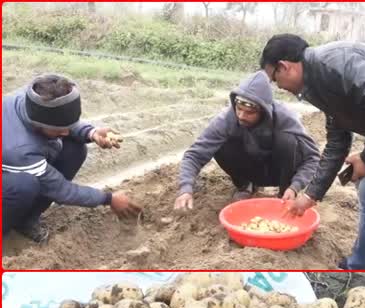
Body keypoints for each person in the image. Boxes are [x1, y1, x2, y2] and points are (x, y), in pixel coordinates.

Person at [260, 34, 365, 270]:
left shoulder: (334, 64)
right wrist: (309, 196)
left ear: (284, 67)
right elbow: (336, 142)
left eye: (274, 79)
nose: (278, 86)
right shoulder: (318, 84)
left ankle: (364, 263)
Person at [2, 73, 141, 243]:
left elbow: (63, 121)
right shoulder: (19, 149)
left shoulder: (34, 99)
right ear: (38, 124)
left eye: (67, 126)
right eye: (59, 129)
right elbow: (60, 189)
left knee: (75, 148)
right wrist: (108, 199)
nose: (66, 132)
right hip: (10, 164)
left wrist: (92, 133)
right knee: (24, 185)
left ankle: (26, 220)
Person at [174, 71, 320, 210]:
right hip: (251, 168)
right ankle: (245, 186)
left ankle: (284, 194)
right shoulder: (227, 119)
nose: (242, 116)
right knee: (221, 144)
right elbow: (195, 154)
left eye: (249, 112)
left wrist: (295, 186)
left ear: (263, 111)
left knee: (287, 140)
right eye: (238, 109)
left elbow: (313, 158)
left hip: (279, 171)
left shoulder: (284, 118)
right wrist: (186, 188)